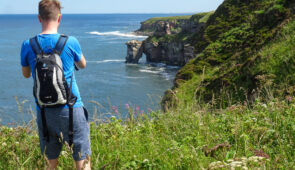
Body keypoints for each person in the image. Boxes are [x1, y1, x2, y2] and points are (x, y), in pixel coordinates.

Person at [20, 0, 91, 169]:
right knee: (82, 163)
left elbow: (26, 74)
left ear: (39, 18)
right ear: (59, 18)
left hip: (44, 113)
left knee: (50, 164)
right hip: (72, 110)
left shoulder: (28, 44)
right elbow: (83, 64)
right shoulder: (70, 41)